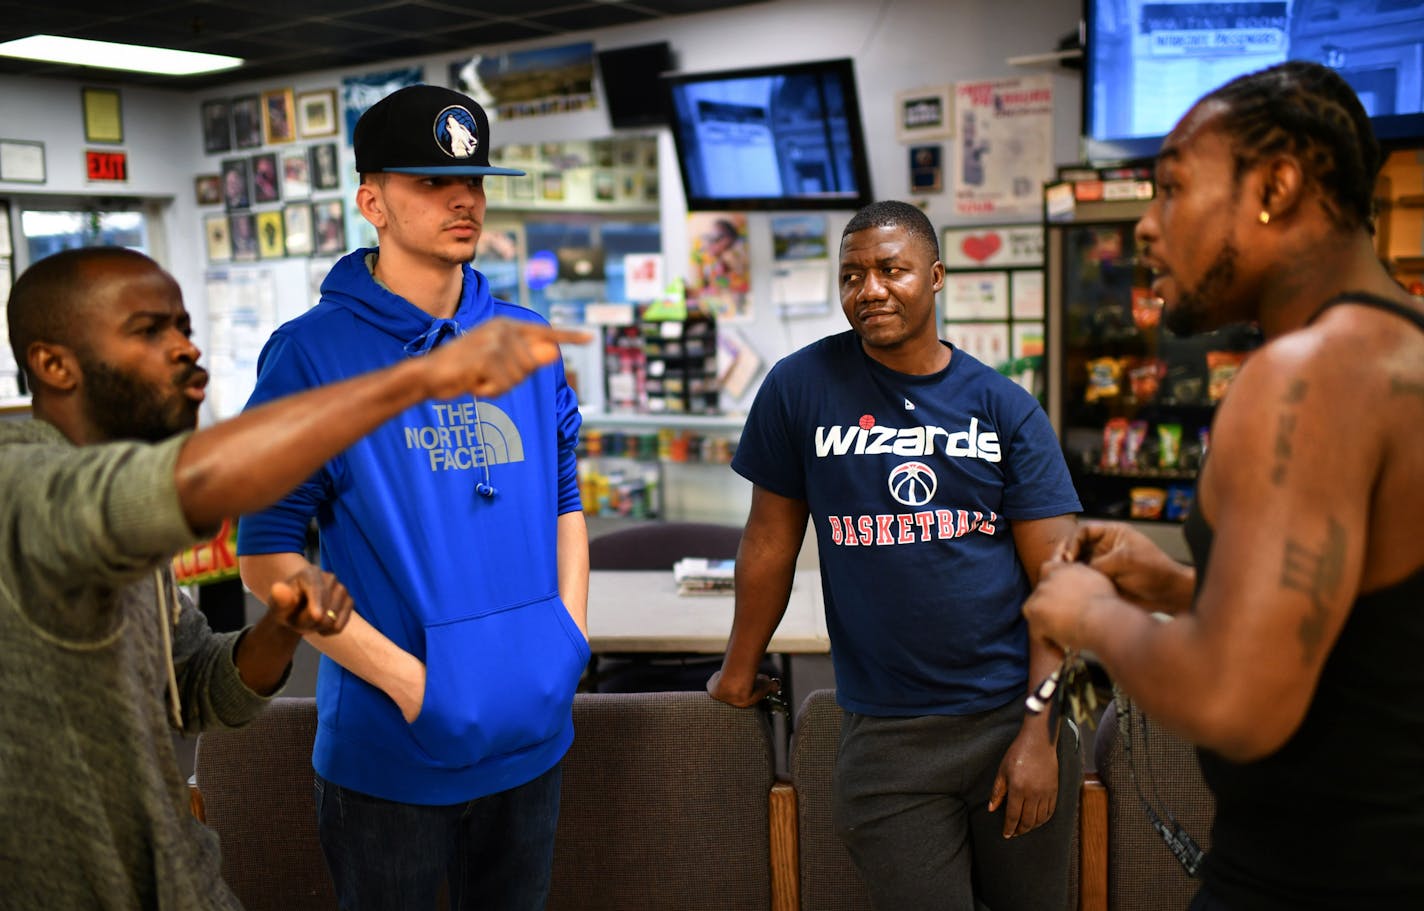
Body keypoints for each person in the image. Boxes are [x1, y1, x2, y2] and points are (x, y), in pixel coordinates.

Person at [0, 246, 586, 908]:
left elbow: (197, 686)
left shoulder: (120, 527)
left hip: (172, 880)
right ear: (53, 364)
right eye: (149, 331)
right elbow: (199, 480)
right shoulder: (21, 490)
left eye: (184, 328)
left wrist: (282, 626)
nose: (186, 351)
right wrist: (417, 382)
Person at [1023, 61, 1424, 909]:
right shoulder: (1395, 350)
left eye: (1170, 188)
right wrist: (1175, 585)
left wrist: (1092, 613)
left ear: (1275, 187)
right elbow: (1368, 628)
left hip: (1315, 878)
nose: (1144, 227)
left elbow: (1240, 698)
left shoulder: (1305, 375)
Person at [236, 84, 590, 911]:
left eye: (471, 181)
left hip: (532, 736)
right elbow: (266, 557)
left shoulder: (528, 338)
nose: (461, 198)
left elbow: (564, 493)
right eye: (431, 182)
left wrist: (567, 633)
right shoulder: (310, 356)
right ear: (373, 202)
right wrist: (410, 685)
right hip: (391, 754)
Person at [709, 200, 1083, 910]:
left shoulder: (1004, 407)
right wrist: (737, 667)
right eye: (851, 275)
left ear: (935, 276)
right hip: (887, 736)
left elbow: (1060, 585)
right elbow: (768, 540)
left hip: (1012, 720)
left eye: (890, 269)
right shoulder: (800, 387)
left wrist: (1040, 731)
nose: (869, 289)